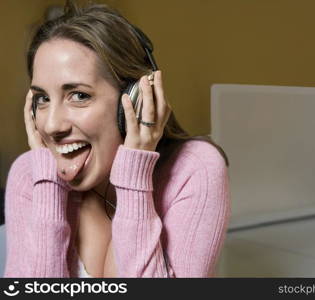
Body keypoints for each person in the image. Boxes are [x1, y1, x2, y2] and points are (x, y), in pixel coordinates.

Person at [3, 0, 231, 278]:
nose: (51, 126)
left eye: (79, 95)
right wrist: (48, 188)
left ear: (135, 100)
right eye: (42, 99)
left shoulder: (195, 170)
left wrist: (134, 179)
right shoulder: (29, 174)